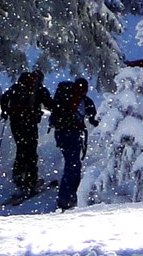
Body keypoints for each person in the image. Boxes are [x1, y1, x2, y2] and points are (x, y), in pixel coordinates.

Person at [0, 69, 52, 196]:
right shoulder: (39, 89)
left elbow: (4, 98)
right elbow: (50, 104)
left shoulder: (18, 86)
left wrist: (6, 111)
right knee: (31, 151)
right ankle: (30, 180)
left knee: (21, 148)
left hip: (16, 122)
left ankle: (18, 177)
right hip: (30, 122)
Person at [50, 76, 99, 210]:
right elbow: (94, 120)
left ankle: (70, 196)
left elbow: (53, 109)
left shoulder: (65, 97)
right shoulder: (84, 101)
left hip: (62, 133)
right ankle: (67, 198)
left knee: (72, 163)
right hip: (72, 134)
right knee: (73, 164)